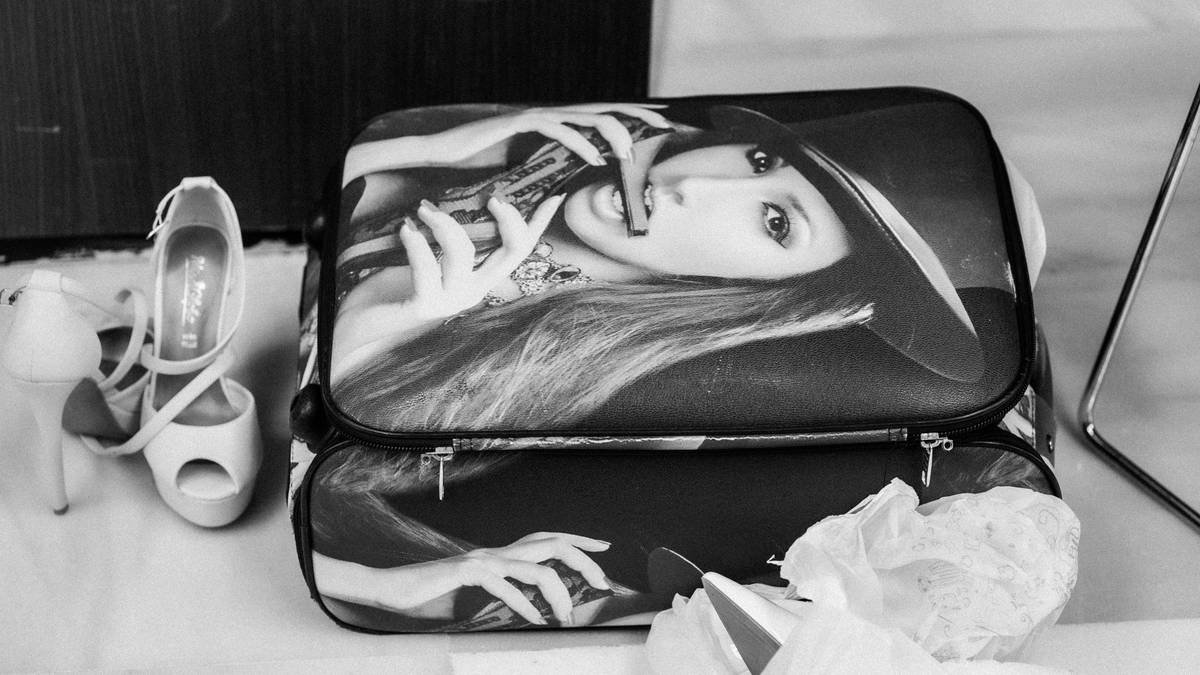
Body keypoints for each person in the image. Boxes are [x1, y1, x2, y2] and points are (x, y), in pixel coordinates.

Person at [311, 102, 989, 630]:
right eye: (759, 159)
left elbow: (323, 468)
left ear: (778, 294)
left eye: (777, 223)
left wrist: (403, 318)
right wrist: (445, 145)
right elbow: (331, 207)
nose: (698, 181)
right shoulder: (555, 152)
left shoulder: (603, 378)